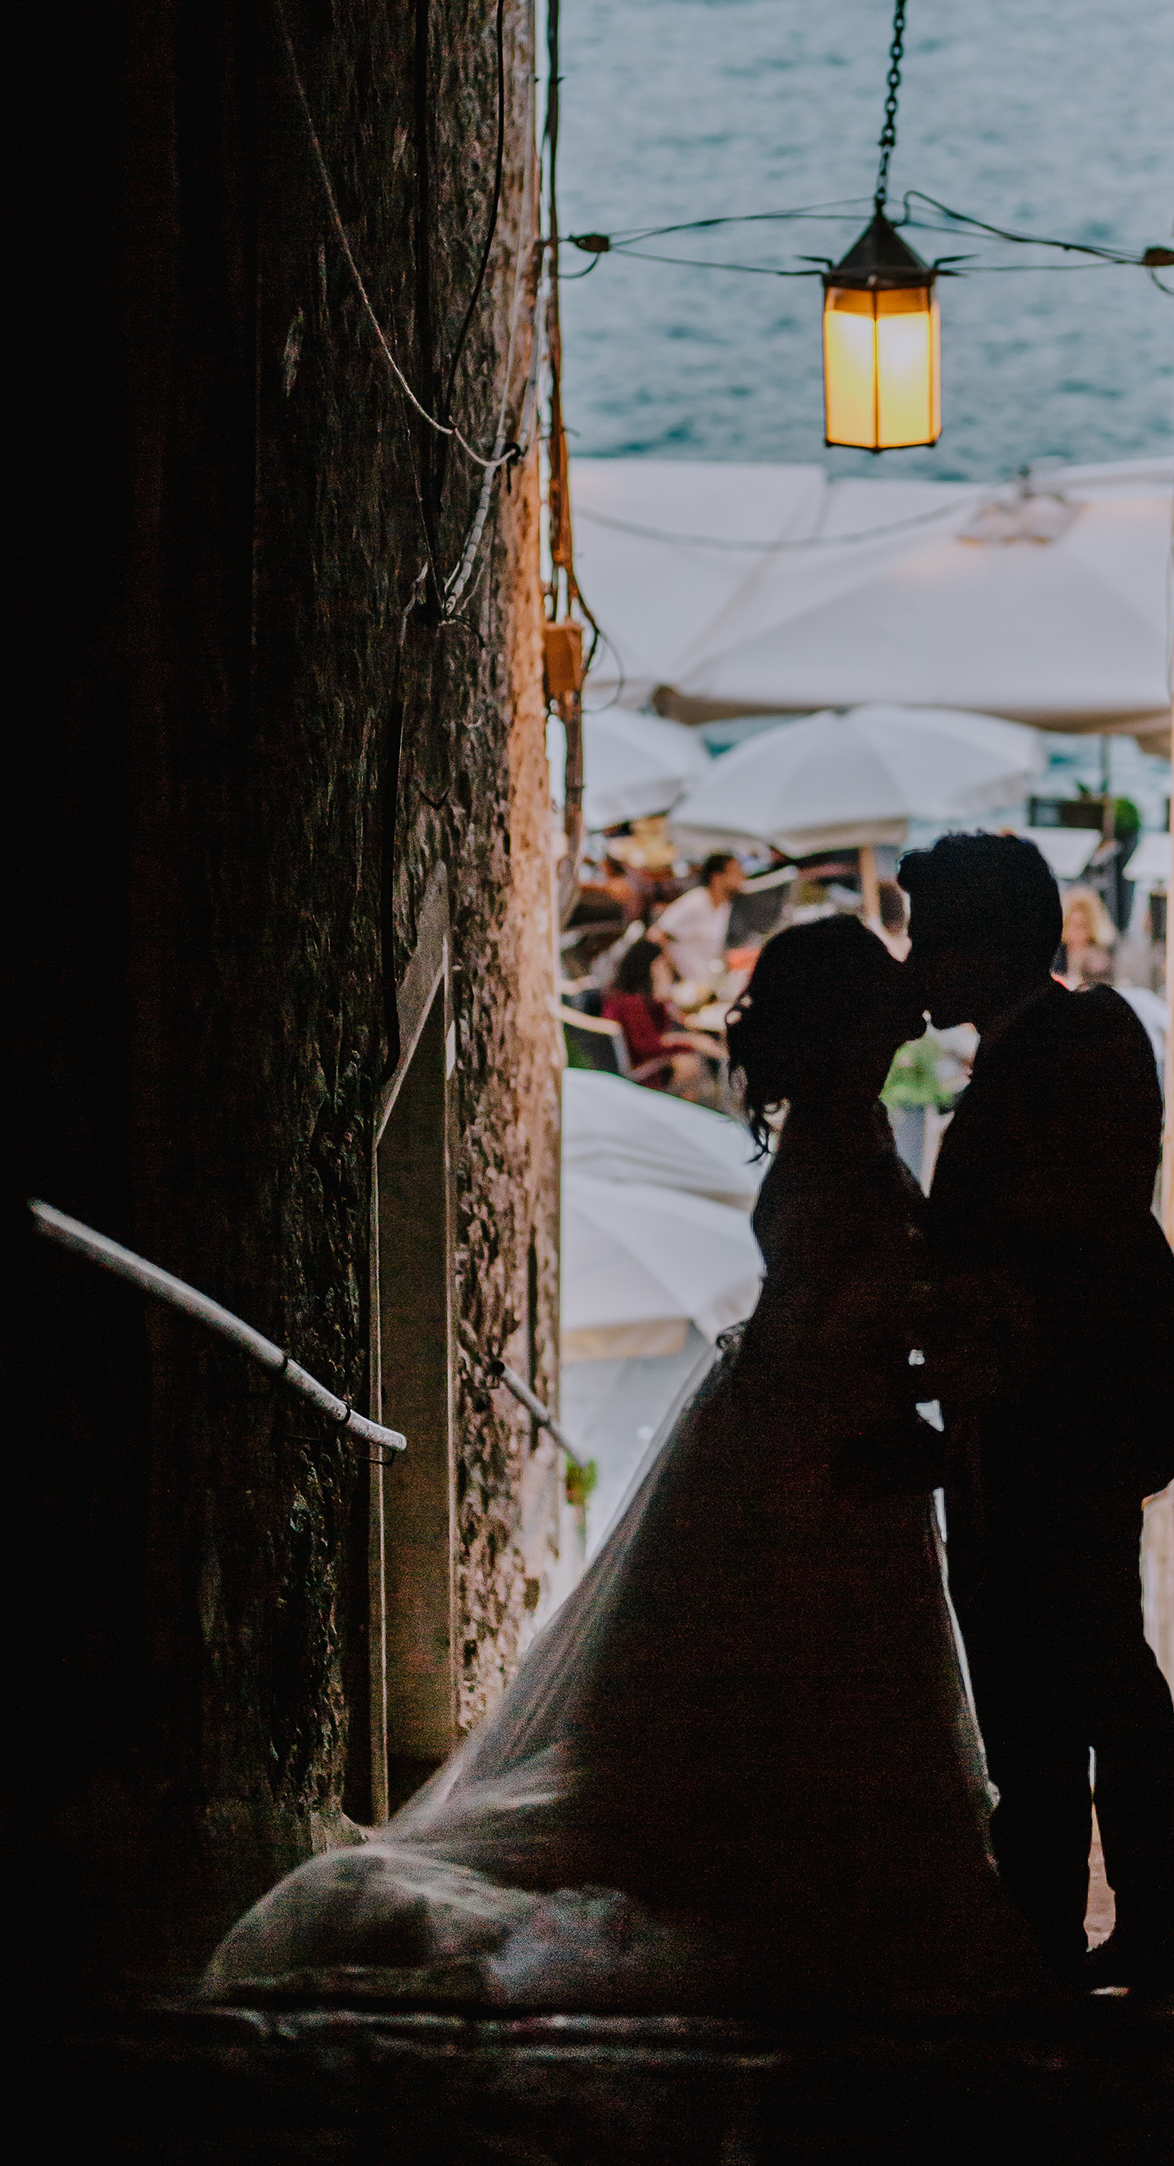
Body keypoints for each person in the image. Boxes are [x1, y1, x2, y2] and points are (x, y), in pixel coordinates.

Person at [202, 919, 1043, 2015]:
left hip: (811, 1427)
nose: (906, 1009)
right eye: (882, 996)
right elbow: (826, 1327)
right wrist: (943, 1372)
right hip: (823, 1444)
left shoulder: (844, 1129)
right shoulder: (839, 1144)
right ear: (847, 1021)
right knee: (807, 1668)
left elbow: (847, 1306)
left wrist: (928, 1361)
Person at [901, 829, 1174, 1997]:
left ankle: (1126, 1923)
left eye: (932, 940)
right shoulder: (1032, 1052)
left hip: (1071, 1411)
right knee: (1048, 1664)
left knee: (1083, 1660)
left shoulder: (1083, 1039)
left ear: (990, 944)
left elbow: (1064, 1229)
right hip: (1030, 1411)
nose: (916, 964)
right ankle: (1064, 1920)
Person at [600, 937, 726, 1095]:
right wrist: (690, 1042)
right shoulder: (632, 1004)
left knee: (694, 1053)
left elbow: (653, 1036)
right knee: (692, 1064)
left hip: (622, 1069)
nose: (667, 971)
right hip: (641, 1074)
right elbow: (649, 1046)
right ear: (649, 967)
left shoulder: (618, 996)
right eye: (663, 966)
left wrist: (662, 1000)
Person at [653, 851, 745, 992]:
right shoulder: (696, 901)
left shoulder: (724, 906)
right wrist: (678, 977)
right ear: (716, 877)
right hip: (687, 989)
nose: (742, 877)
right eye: (735, 872)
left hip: (707, 986)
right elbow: (656, 934)